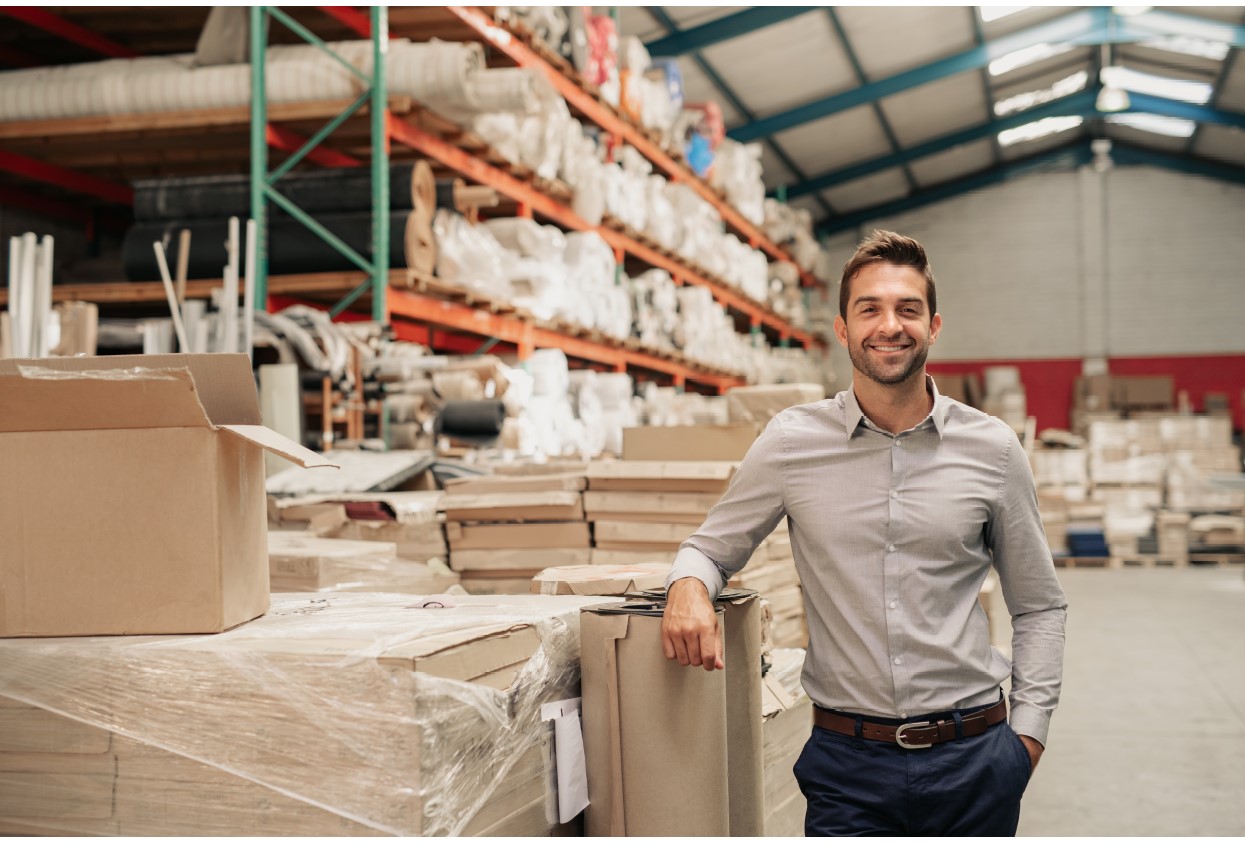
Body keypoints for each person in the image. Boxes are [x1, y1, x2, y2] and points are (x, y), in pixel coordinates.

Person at [660, 229, 1067, 836]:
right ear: (843, 328)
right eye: (869, 308)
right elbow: (710, 548)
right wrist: (687, 586)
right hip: (848, 765)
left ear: (933, 326)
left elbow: (1038, 604)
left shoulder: (992, 449)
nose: (889, 325)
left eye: (908, 309)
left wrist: (1026, 739)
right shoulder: (793, 443)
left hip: (973, 758)